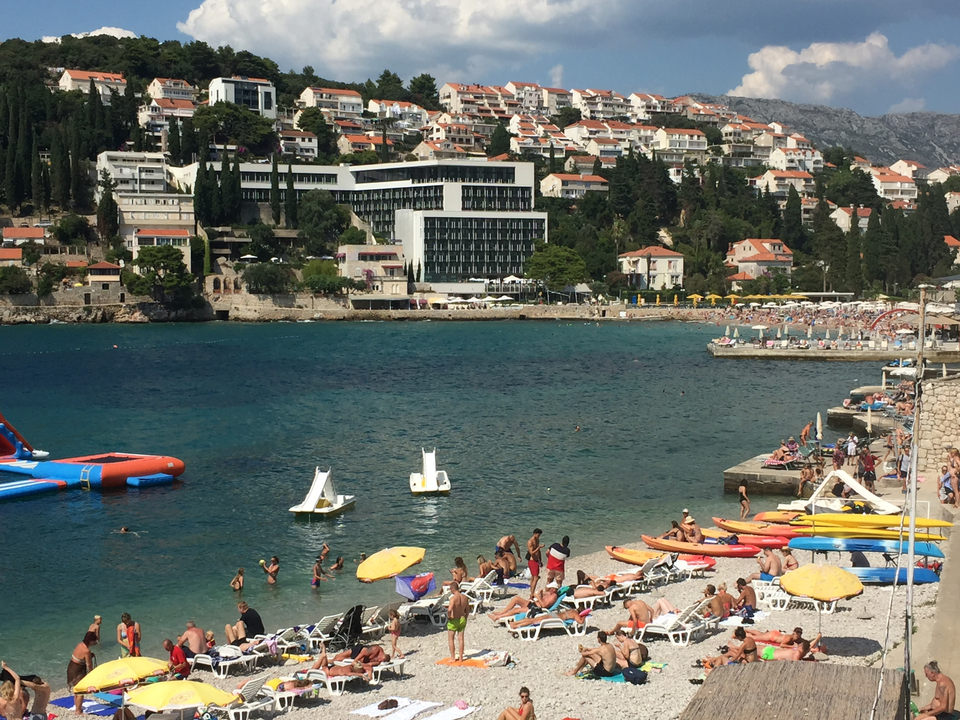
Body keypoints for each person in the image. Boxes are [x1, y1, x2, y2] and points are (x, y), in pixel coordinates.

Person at [488, 583, 561, 621]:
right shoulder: (549, 593)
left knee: (515, 610)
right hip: (533, 604)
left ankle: (497, 617)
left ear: (554, 589)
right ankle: (502, 612)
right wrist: (540, 594)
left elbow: (543, 605)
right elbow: (542, 599)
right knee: (516, 599)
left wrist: (538, 597)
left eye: (550, 588)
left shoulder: (553, 596)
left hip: (536, 608)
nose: (548, 589)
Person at [68, 631, 98, 712]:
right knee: (81, 690)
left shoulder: (80, 645)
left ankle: (77, 706)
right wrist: (92, 675)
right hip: (78, 670)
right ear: (90, 641)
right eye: (94, 641)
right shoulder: (87, 651)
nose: (95, 642)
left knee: (76, 689)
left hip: (71, 667)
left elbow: (80, 656)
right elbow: (89, 665)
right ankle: (78, 711)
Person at [446, 582, 469, 662]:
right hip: (462, 618)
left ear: (452, 589)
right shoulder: (464, 597)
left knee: (451, 639)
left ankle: (453, 657)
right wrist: (465, 618)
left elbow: (449, 609)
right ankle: (461, 658)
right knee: (461, 639)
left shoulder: (453, 598)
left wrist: (449, 616)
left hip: (454, 620)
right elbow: (468, 610)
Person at [526, 529, 544, 599]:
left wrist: (540, 560)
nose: (538, 536)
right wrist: (539, 547)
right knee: (536, 578)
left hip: (536, 560)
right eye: (538, 535)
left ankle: (531, 593)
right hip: (532, 561)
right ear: (534, 534)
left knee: (533, 577)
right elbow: (531, 552)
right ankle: (532, 594)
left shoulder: (537, 540)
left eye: (539, 535)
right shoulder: (530, 542)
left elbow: (538, 552)